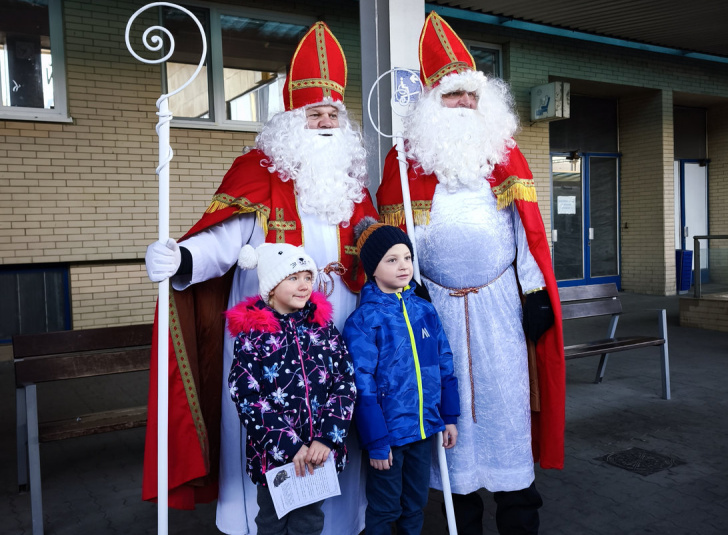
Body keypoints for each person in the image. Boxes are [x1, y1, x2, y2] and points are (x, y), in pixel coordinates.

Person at [141, 22, 376, 535]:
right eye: (313, 114)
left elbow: (374, 247)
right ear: (292, 120)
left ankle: (335, 525)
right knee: (269, 421)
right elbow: (224, 242)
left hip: (336, 328)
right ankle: (261, 523)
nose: (325, 123)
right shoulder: (257, 170)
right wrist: (182, 258)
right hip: (267, 336)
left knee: (334, 417)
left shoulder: (351, 185)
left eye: (333, 114)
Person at [376, 12, 565, 535]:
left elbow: (526, 231)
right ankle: (463, 513)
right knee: (448, 408)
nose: (463, 103)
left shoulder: (506, 154)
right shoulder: (404, 162)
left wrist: (535, 291)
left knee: (505, 404)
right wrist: (407, 287)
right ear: (433, 102)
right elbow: (396, 239)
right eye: (453, 95)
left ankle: (519, 512)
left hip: (499, 305)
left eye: (471, 95)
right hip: (434, 309)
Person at [226, 243, 356, 535]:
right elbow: (246, 397)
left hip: (317, 453)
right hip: (275, 456)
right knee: (272, 522)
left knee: (309, 522)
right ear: (271, 287)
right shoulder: (253, 337)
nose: (304, 285)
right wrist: (289, 446)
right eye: (293, 277)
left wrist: (326, 438)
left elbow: (344, 383)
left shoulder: (324, 329)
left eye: (308, 277)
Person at [342, 220, 459, 535]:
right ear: (373, 269)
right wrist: (376, 439)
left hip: (423, 430)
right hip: (389, 436)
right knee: (385, 508)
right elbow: (361, 384)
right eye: (392, 260)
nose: (404, 265)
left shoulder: (425, 310)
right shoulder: (364, 320)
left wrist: (449, 417)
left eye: (407, 257)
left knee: (415, 504)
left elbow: (444, 363)